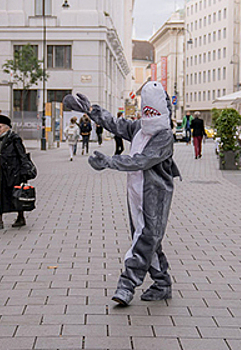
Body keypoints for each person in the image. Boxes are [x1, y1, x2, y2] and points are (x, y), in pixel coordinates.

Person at [64, 81, 181, 306]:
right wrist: (92, 111)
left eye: (152, 111)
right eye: (146, 110)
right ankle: (162, 283)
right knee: (147, 237)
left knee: (146, 237)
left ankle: (127, 284)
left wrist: (110, 161)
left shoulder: (164, 136)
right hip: (135, 191)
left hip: (155, 194)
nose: (148, 115)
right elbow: (116, 124)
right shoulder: (139, 127)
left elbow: (143, 159)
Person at [0, 114, 32, 228]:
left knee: (16, 195)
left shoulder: (14, 139)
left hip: (13, 173)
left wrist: (24, 171)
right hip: (0, 173)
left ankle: (20, 217)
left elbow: (22, 155)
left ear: (7, 127)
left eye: (0, 127)